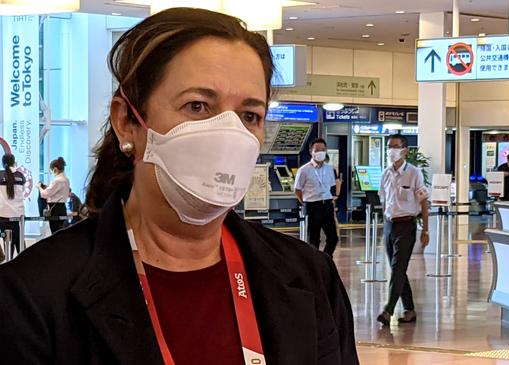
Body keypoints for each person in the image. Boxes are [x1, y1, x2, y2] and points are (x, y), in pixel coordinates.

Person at [0, 8, 358, 365]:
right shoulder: (32, 296)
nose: (228, 134)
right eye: (198, 106)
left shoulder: (311, 278)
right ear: (127, 122)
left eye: (249, 115)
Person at [376, 134, 429, 326]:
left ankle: (388, 310)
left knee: (398, 269)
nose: (392, 150)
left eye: (396, 147)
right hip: (390, 226)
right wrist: (385, 225)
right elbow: (383, 200)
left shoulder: (414, 173)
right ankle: (410, 309)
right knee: (398, 269)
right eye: (389, 147)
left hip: (407, 225)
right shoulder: (385, 173)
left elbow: (424, 202)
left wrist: (426, 230)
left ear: (405, 150)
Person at [294, 138, 339, 256]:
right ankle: (314, 264)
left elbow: (332, 186)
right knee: (314, 240)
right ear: (311, 151)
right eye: (317, 150)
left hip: (327, 204)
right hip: (313, 205)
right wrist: (305, 203)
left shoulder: (330, 168)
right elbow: (297, 189)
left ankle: (326, 260)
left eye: (323, 150)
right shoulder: (304, 170)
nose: (320, 152)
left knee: (333, 237)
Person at [0, 154, 25, 258]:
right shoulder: (20, 176)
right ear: (14, 162)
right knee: (19, 242)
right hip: (18, 215)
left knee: (7, 242)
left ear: (2, 162)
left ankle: (8, 263)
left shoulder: (0, 175)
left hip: (3, 215)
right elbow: (22, 192)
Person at [38, 157, 71, 233]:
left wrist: (39, 187)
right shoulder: (66, 179)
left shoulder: (57, 180)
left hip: (55, 209)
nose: (51, 173)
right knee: (61, 232)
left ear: (55, 169)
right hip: (62, 208)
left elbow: (45, 194)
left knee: (55, 232)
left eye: (51, 171)